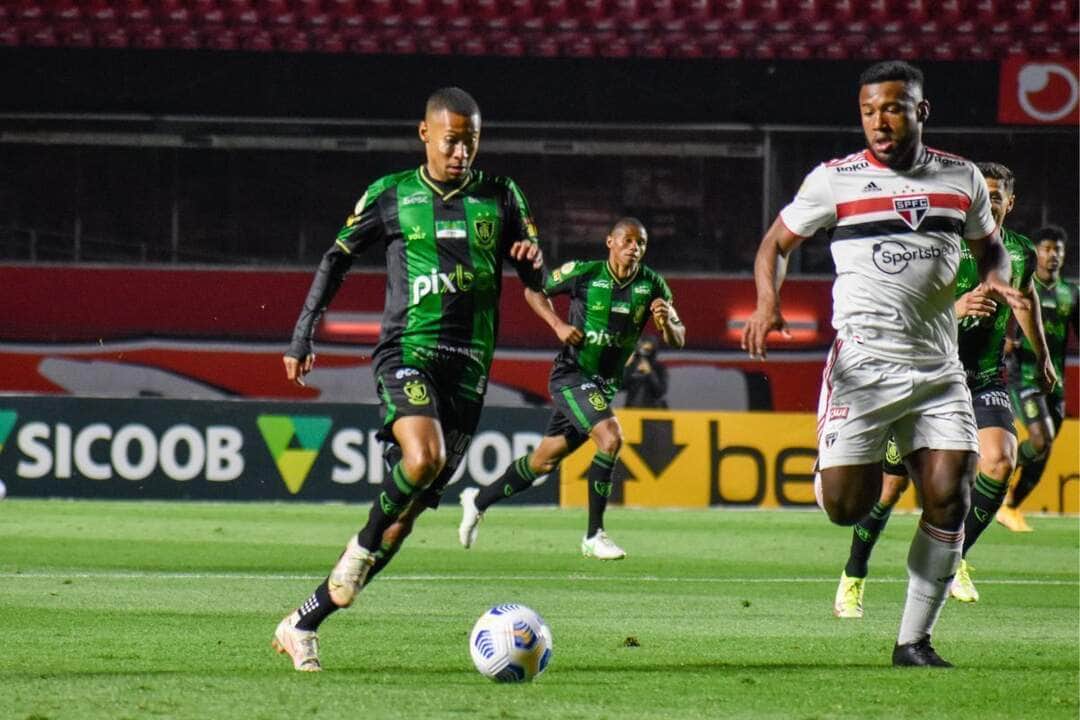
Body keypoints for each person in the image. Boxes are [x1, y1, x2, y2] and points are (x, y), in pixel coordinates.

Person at [741, 60, 1030, 667]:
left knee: (950, 493)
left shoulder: (962, 178)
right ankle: (836, 457)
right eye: (870, 110)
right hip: (863, 368)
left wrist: (999, 282)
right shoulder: (834, 180)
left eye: (894, 107)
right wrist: (768, 302)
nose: (880, 120)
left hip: (938, 367)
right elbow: (775, 243)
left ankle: (913, 641)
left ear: (921, 111)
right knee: (848, 507)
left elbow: (992, 248)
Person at [271, 87, 545, 672]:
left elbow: (532, 271)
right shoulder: (392, 195)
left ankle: (303, 623)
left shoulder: (502, 196)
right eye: (451, 141)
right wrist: (303, 333)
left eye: (471, 142)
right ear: (424, 134)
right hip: (408, 353)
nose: (462, 153)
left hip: (469, 373)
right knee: (421, 462)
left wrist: (532, 258)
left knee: (410, 515)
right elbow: (335, 257)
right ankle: (358, 548)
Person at [832, 162, 1056, 618]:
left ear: (1009, 203)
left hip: (985, 378)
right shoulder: (940, 244)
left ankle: (954, 559)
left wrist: (1044, 356)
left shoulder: (1019, 252)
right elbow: (904, 308)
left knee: (1000, 460)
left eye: (998, 196)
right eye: (984, 193)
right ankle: (854, 573)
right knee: (890, 489)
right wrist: (954, 308)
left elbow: (1027, 296)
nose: (990, 202)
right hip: (926, 376)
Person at [457, 218, 685, 559]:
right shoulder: (586, 273)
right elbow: (534, 289)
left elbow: (678, 339)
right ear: (610, 242)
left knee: (542, 462)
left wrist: (666, 322)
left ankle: (478, 500)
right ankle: (594, 535)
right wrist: (559, 325)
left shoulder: (653, 286)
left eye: (641, 243)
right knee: (611, 437)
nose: (633, 247)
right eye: (627, 240)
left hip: (604, 386)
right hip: (572, 375)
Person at [998, 225, 1078, 532]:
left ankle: (1011, 507)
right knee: (1041, 438)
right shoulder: (1020, 285)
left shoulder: (1070, 294)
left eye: (1057, 249)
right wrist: (1007, 339)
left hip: (1055, 384)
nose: (1052, 255)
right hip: (1025, 377)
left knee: (1044, 448)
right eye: (1046, 249)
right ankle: (1001, 468)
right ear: (1036, 252)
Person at [622, 336, 669, 408]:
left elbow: (660, 391)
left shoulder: (659, 368)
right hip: (631, 409)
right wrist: (627, 367)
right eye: (641, 349)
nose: (644, 353)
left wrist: (649, 373)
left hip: (651, 411)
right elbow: (621, 387)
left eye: (647, 350)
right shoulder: (633, 366)